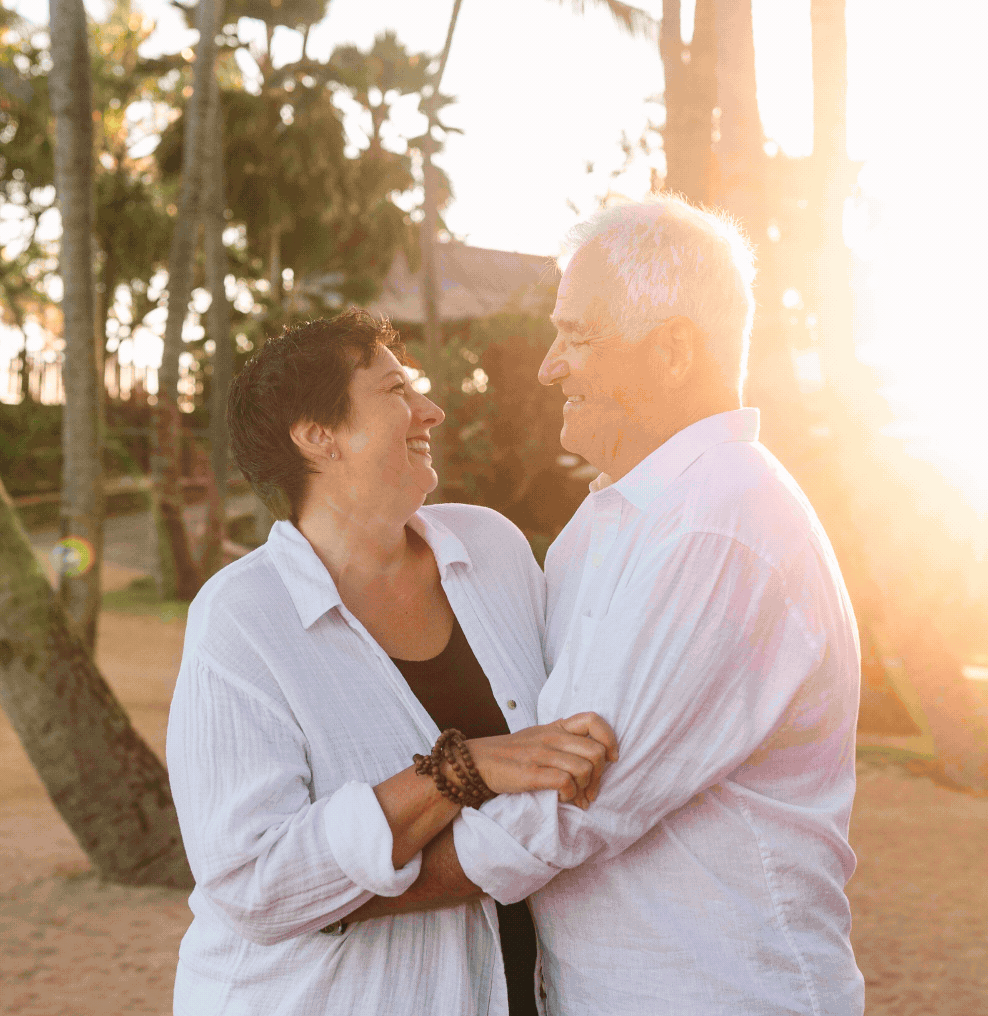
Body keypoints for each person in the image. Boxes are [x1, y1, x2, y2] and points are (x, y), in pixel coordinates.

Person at [351, 199, 866, 1016]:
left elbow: (574, 801)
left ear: (671, 351)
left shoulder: (719, 526)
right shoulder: (610, 520)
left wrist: (343, 887)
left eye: (577, 336)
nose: (551, 366)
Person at [165, 311, 617, 1016]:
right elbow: (250, 882)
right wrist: (462, 770)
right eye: (396, 391)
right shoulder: (242, 616)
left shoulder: (493, 550)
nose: (430, 410)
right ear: (319, 437)